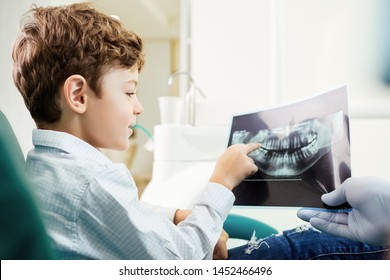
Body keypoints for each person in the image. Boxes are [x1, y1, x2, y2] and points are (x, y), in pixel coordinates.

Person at [12, 2, 389, 260]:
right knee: (316, 247)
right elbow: (180, 261)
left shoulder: (45, 172)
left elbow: (114, 219)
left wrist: (175, 214)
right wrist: (221, 183)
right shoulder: (91, 181)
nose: (138, 106)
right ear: (78, 94)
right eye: (129, 92)